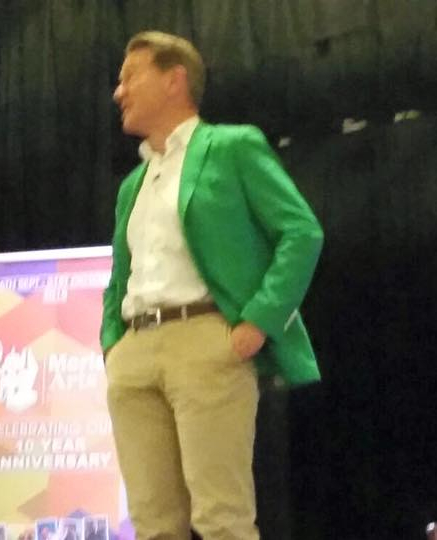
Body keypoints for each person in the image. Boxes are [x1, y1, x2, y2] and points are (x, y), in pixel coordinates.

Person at [102, 30, 323, 540]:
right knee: (154, 525)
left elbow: (302, 232)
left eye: (130, 77)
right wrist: (113, 343)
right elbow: (120, 273)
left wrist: (258, 321)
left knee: (222, 519)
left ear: (174, 80)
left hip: (206, 340)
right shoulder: (132, 184)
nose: (118, 92)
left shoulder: (232, 147)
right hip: (134, 352)